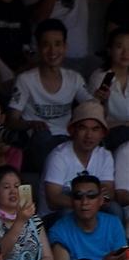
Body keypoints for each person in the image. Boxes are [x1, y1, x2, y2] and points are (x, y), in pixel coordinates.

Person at [7, 19, 93, 173]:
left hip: (66, 139)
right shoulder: (26, 80)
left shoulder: (74, 78)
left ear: (65, 47)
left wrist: (100, 100)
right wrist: (31, 124)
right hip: (36, 142)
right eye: (46, 45)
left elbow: (92, 108)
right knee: (43, 138)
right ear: (39, 48)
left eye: (58, 44)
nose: (52, 51)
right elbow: (12, 120)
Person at [48, 173, 127, 260]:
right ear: (71, 200)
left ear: (101, 200)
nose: (85, 202)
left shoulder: (113, 222)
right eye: (78, 196)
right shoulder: (59, 230)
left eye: (91, 196)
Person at [41, 101, 114, 216]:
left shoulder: (105, 156)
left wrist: (99, 199)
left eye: (95, 129)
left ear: (102, 133)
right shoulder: (58, 156)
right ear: (73, 131)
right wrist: (87, 202)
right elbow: (53, 200)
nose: (89, 135)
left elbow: (109, 193)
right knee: (69, 212)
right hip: (55, 216)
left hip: (92, 213)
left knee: (114, 209)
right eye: (83, 128)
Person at [88, 27, 129, 150]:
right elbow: (94, 118)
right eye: (119, 47)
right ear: (109, 50)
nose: (125, 53)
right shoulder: (100, 77)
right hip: (111, 134)